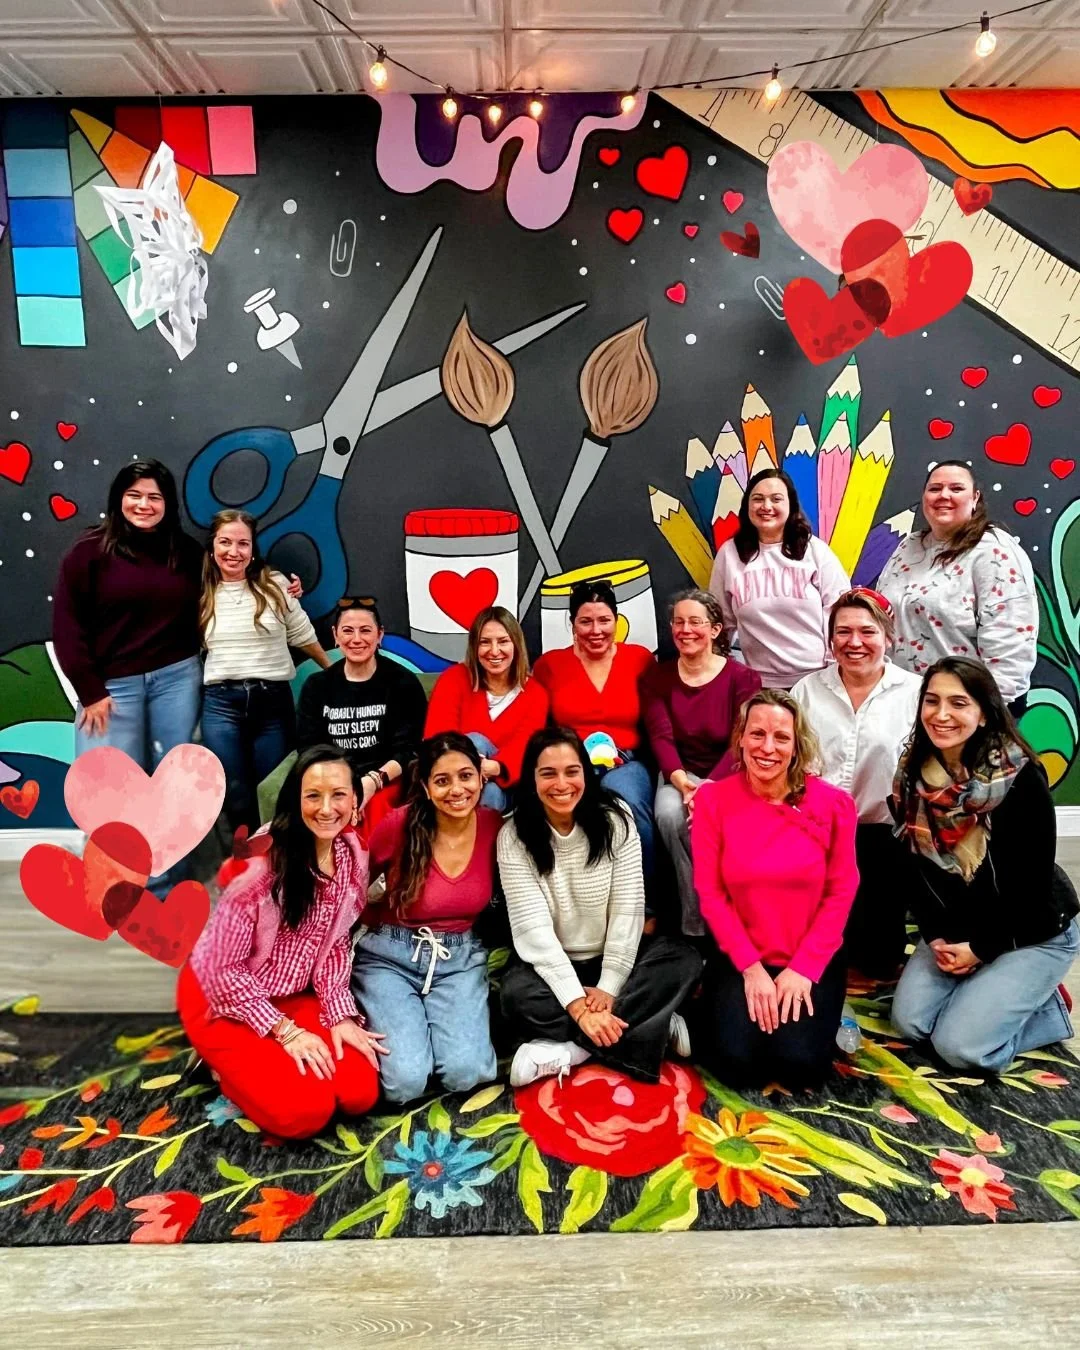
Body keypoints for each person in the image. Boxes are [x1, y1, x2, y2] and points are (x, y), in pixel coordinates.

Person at [177, 747, 385, 1138]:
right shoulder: (259, 862)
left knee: (359, 1092)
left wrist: (339, 1013)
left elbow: (337, 941)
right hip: (223, 997)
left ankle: (261, 1063)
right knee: (303, 1114)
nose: (327, 808)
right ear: (295, 799)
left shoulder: (352, 853)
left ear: (355, 800)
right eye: (313, 795)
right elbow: (222, 967)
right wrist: (286, 1032)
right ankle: (216, 1065)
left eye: (339, 794)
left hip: (292, 992)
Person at [889, 657, 1078, 1073]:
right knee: (911, 1024)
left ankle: (1046, 1010)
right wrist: (937, 936)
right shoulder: (912, 776)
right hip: (958, 924)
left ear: (984, 712)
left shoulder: (1019, 779)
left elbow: (1028, 891)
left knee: (960, 1048)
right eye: (932, 701)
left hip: (1031, 929)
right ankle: (997, 997)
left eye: (959, 703)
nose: (941, 715)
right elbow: (912, 871)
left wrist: (980, 951)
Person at [497, 727, 702, 1086]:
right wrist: (578, 1004)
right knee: (515, 997)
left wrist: (608, 989)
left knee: (682, 959)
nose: (562, 784)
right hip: (555, 964)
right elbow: (535, 934)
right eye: (548, 773)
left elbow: (629, 910)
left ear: (586, 773)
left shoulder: (615, 817)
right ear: (532, 779)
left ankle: (571, 1052)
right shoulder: (514, 836)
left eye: (571, 771)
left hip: (614, 959)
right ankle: (650, 1021)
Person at [691, 689, 858, 1087]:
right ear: (741, 739)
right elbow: (711, 893)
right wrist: (751, 970)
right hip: (742, 956)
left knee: (799, 1067)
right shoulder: (714, 800)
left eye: (781, 737)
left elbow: (842, 890)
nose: (767, 747)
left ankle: (835, 1007)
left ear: (797, 745)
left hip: (809, 956)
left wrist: (803, 969)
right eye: (757, 734)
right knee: (736, 1065)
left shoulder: (834, 805)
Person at [351, 733, 499, 1103]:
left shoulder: (496, 828)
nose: (457, 790)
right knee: (405, 1082)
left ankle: (433, 1032)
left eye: (466, 776)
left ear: (481, 778)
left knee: (468, 1073)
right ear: (426, 787)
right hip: (390, 956)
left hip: (458, 959)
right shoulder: (398, 825)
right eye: (442, 780)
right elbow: (354, 890)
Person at [791, 589, 921, 976]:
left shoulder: (915, 692)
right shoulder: (807, 690)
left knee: (878, 960)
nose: (855, 642)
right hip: (818, 834)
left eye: (867, 631)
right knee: (821, 955)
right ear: (831, 639)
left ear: (887, 636)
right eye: (843, 632)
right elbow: (793, 765)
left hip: (885, 837)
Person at [200, 509, 331, 836]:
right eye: (225, 542)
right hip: (221, 706)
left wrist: (335, 675)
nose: (233, 551)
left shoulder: (275, 584)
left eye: (242, 543)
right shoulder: (199, 593)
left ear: (253, 549)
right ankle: (243, 864)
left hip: (272, 703)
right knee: (234, 792)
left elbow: (303, 635)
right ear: (212, 546)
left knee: (275, 788)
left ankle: (276, 861)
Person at [642, 589, 761, 938]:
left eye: (695, 621)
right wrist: (684, 784)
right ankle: (701, 920)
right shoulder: (657, 678)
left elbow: (743, 739)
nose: (685, 629)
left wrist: (710, 790)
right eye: (678, 622)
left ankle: (719, 916)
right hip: (679, 776)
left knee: (711, 822)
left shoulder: (743, 679)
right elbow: (661, 737)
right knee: (667, 814)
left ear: (715, 630)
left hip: (730, 776)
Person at [878, 460, 1037, 715]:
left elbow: (1011, 640)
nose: (944, 495)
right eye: (935, 488)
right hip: (906, 703)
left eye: (956, 488)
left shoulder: (994, 551)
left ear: (975, 498)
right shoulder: (909, 546)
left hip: (965, 709)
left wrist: (989, 711)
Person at [532, 580, 657, 876]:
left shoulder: (639, 659)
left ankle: (649, 904)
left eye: (604, 620)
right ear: (573, 624)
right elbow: (537, 725)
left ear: (616, 620)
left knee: (628, 803)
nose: (596, 630)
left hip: (625, 761)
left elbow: (657, 721)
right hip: (571, 762)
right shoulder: (550, 665)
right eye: (585, 621)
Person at [708, 468, 850, 689]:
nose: (766, 506)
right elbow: (720, 622)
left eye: (776, 499)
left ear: (791, 506)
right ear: (747, 506)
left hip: (818, 680)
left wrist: (835, 670)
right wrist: (726, 670)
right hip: (757, 684)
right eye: (758, 499)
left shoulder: (815, 551)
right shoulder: (730, 554)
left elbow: (840, 611)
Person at [296, 597, 427, 838]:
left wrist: (371, 782)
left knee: (376, 820)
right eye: (348, 631)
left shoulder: (402, 683)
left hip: (385, 779)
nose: (356, 639)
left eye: (365, 630)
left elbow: (409, 750)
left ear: (380, 635)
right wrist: (340, 788)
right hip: (332, 779)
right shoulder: (317, 686)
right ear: (335, 635)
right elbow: (309, 748)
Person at [423, 606, 549, 811]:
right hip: (451, 779)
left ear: (516, 644)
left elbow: (526, 746)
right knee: (475, 744)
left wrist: (495, 767)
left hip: (508, 785)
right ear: (474, 647)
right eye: (485, 642)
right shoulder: (453, 679)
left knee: (486, 781)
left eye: (503, 641)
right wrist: (468, 769)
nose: (494, 651)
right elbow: (438, 737)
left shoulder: (535, 694)